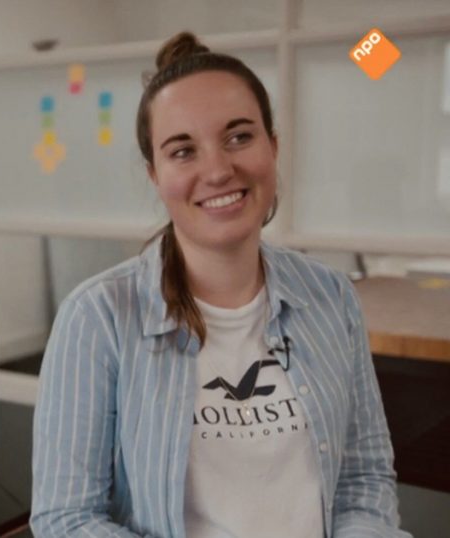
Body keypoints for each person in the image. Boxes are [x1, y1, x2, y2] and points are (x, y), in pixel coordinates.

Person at [30, 32, 409, 538]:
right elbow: (66, 519)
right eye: (183, 150)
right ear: (155, 175)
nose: (217, 170)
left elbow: (364, 477)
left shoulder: (332, 296)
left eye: (239, 137)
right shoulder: (98, 317)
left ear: (273, 146)